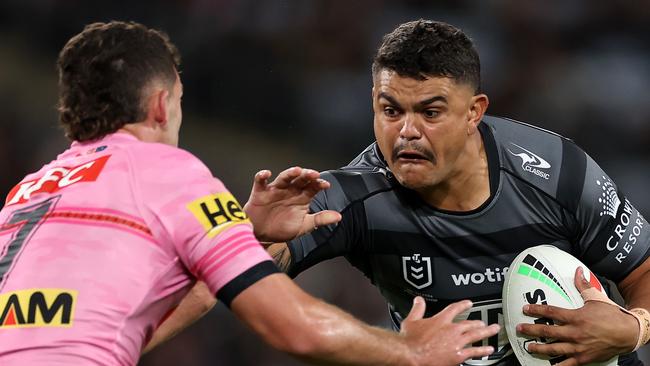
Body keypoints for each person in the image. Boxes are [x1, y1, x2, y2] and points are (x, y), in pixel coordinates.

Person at [0, 21, 500, 365]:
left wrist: (239, 231)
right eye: (178, 101)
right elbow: (294, 328)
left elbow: (121, 326)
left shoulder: (27, 192)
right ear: (159, 104)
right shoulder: (167, 172)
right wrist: (410, 351)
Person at [262, 20, 650, 366]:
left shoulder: (557, 172)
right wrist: (257, 237)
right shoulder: (354, 196)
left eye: (430, 113)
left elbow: (644, 269)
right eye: (391, 111)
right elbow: (255, 277)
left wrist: (635, 327)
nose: (407, 132)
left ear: (473, 112)